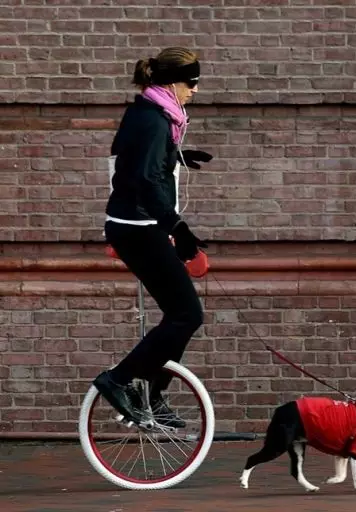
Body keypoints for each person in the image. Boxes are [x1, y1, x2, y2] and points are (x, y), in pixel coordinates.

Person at [93, 47, 213, 428]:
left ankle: (152, 394)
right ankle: (120, 380)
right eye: (191, 82)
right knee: (186, 314)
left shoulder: (151, 114)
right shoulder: (154, 121)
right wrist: (178, 228)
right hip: (137, 229)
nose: (195, 89)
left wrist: (173, 157)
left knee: (183, 315)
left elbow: (133, 162)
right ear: (172, 83)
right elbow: (141, 181)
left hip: (138, 227)